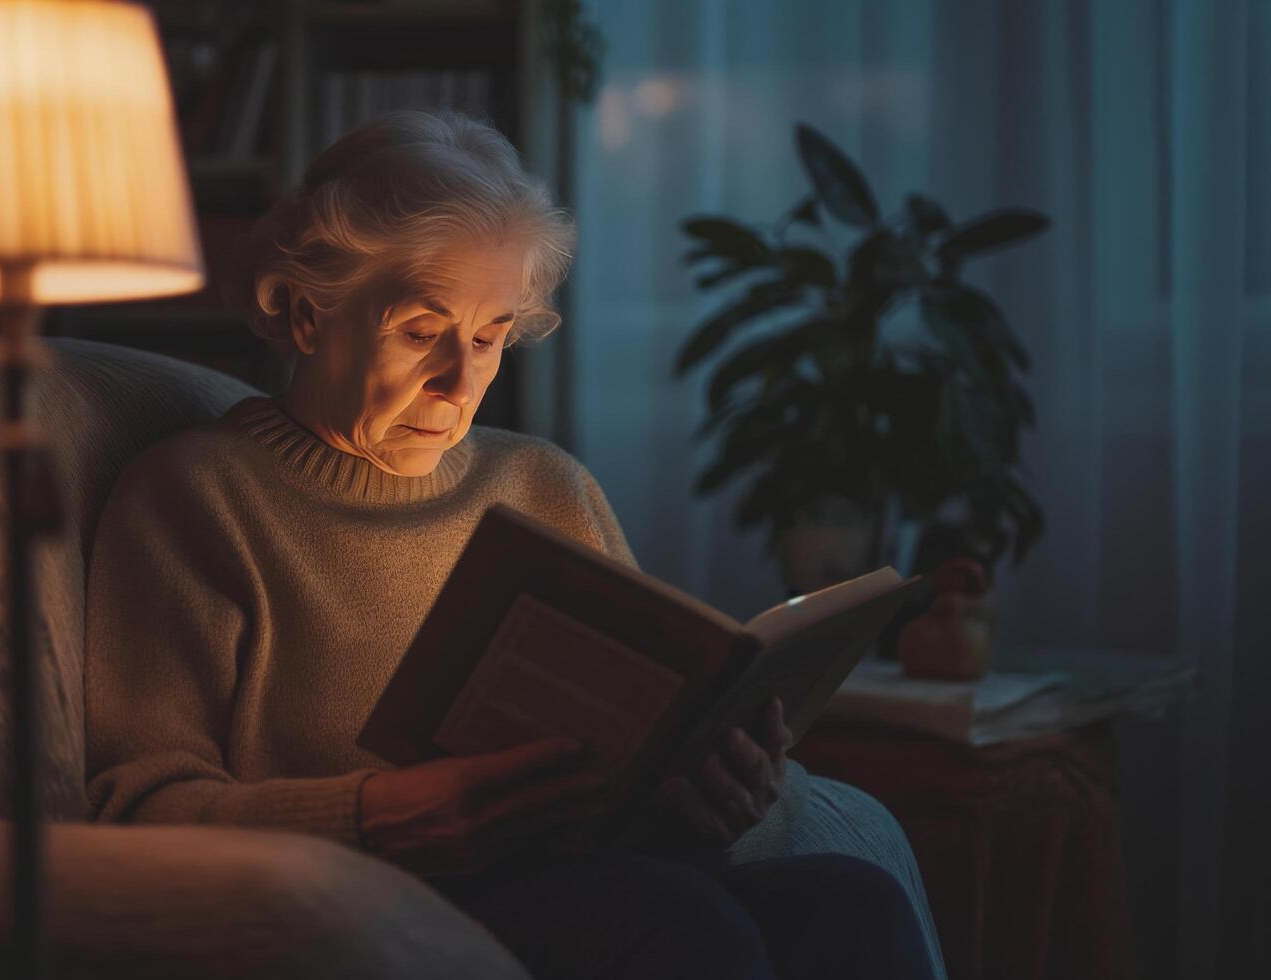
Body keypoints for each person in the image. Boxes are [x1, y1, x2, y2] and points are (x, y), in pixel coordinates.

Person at [84, 108, 933, 979]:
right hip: (382, 906)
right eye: (421, 332)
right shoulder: (196, 498)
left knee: (852, 902)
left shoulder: (545, 487)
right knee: (675, 922)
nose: (459, 383)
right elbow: (134, 809)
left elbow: (639, 742)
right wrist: (382, 815)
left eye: (489, 338)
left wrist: (716, 791)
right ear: (307, 315)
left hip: (606, 876)